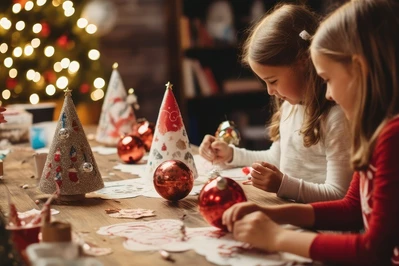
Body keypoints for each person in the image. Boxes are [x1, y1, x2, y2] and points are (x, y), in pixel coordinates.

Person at [222, 0, 399, 264]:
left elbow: (373, 250)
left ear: (359, 70)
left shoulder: (392, 137)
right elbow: (352, 208)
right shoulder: (376, 132)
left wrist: (276, 238)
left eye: (327, 79)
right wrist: (273, 215)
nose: (328, 93)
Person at [199, 3, 352, 203]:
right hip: (292, 213)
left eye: (273, 81)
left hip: (320, 224)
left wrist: (282, 185)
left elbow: (340, 194)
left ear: (303, 62)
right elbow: (276, 159)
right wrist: (230, 154)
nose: (270, 91)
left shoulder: (336, 118)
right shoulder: (290, 107)